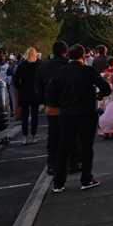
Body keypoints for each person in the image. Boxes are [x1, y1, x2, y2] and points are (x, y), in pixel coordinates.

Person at [47, 44, 111, 193]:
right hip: (86, 112)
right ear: (83, 56)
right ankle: (86, 178)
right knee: (86, 147)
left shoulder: (60, 72)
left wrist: (58, 104)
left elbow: (51, 92)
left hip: (66, 114)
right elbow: (105, 88)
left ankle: (58, 182)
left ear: (69, 56)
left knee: (64, 147)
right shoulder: (88, 71)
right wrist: (98, 95)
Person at [38, 41, 71, 175]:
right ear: (65, 51)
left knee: (53, 135)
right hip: (68, 104)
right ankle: (69, 162)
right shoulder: (68, 65)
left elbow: (38, 86)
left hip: (51, 105)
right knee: (69, 134)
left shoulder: (44, 66)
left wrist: (44, 102)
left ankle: (52, 163)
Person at [13, 47, 42, 145]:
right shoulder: (39, 64)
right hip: (36, 93)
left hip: (25, 93)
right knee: (35, 116)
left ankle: (24, 137)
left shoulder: (22, 65)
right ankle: (33, 136)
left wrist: (20, 87)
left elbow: (15, 80)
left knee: (24, 116)